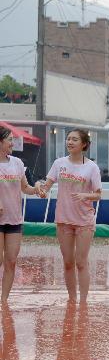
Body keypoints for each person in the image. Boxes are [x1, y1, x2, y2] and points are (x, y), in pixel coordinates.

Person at [35, 129, 102, 304]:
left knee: (81, 262)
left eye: (74, 139)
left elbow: (98, 194)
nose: (70, 142)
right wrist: (40, 190)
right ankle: (72, 299)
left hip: (84, 220)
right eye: (68, 139)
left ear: (84, 144)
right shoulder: (59, 163)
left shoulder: (91, 167)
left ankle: (83, 301)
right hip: (63, 219)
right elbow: (47, 186)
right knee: (67, 263)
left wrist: (85, 196)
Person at [0, 127, 40, 302]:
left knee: (11, 261)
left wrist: (37, 189)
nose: (12, 143)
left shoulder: (17, 163)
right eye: (9, 139)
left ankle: (4, 301)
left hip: (14, 219)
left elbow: (25, 188)